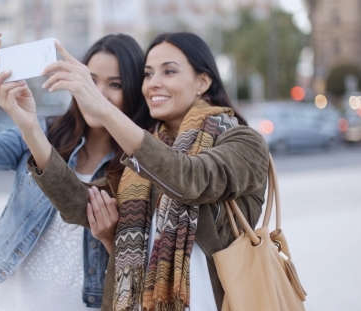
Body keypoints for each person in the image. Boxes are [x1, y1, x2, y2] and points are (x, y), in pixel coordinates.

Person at [15, 32, 270, 311]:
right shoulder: (141, 157)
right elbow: (82, 205)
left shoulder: (244, 142)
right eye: (148, 74)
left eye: (169, 71)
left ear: (203, 81)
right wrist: (31, 129)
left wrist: (101, 107)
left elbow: (189, 179)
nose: (153, 83)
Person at [0, 29, 154, 311]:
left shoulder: (143, 161)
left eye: (115, 84)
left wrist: (110, 235)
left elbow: (143, 263)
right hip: (16, 302)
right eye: (89, 80)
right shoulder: (41, 131)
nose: (96, 93)